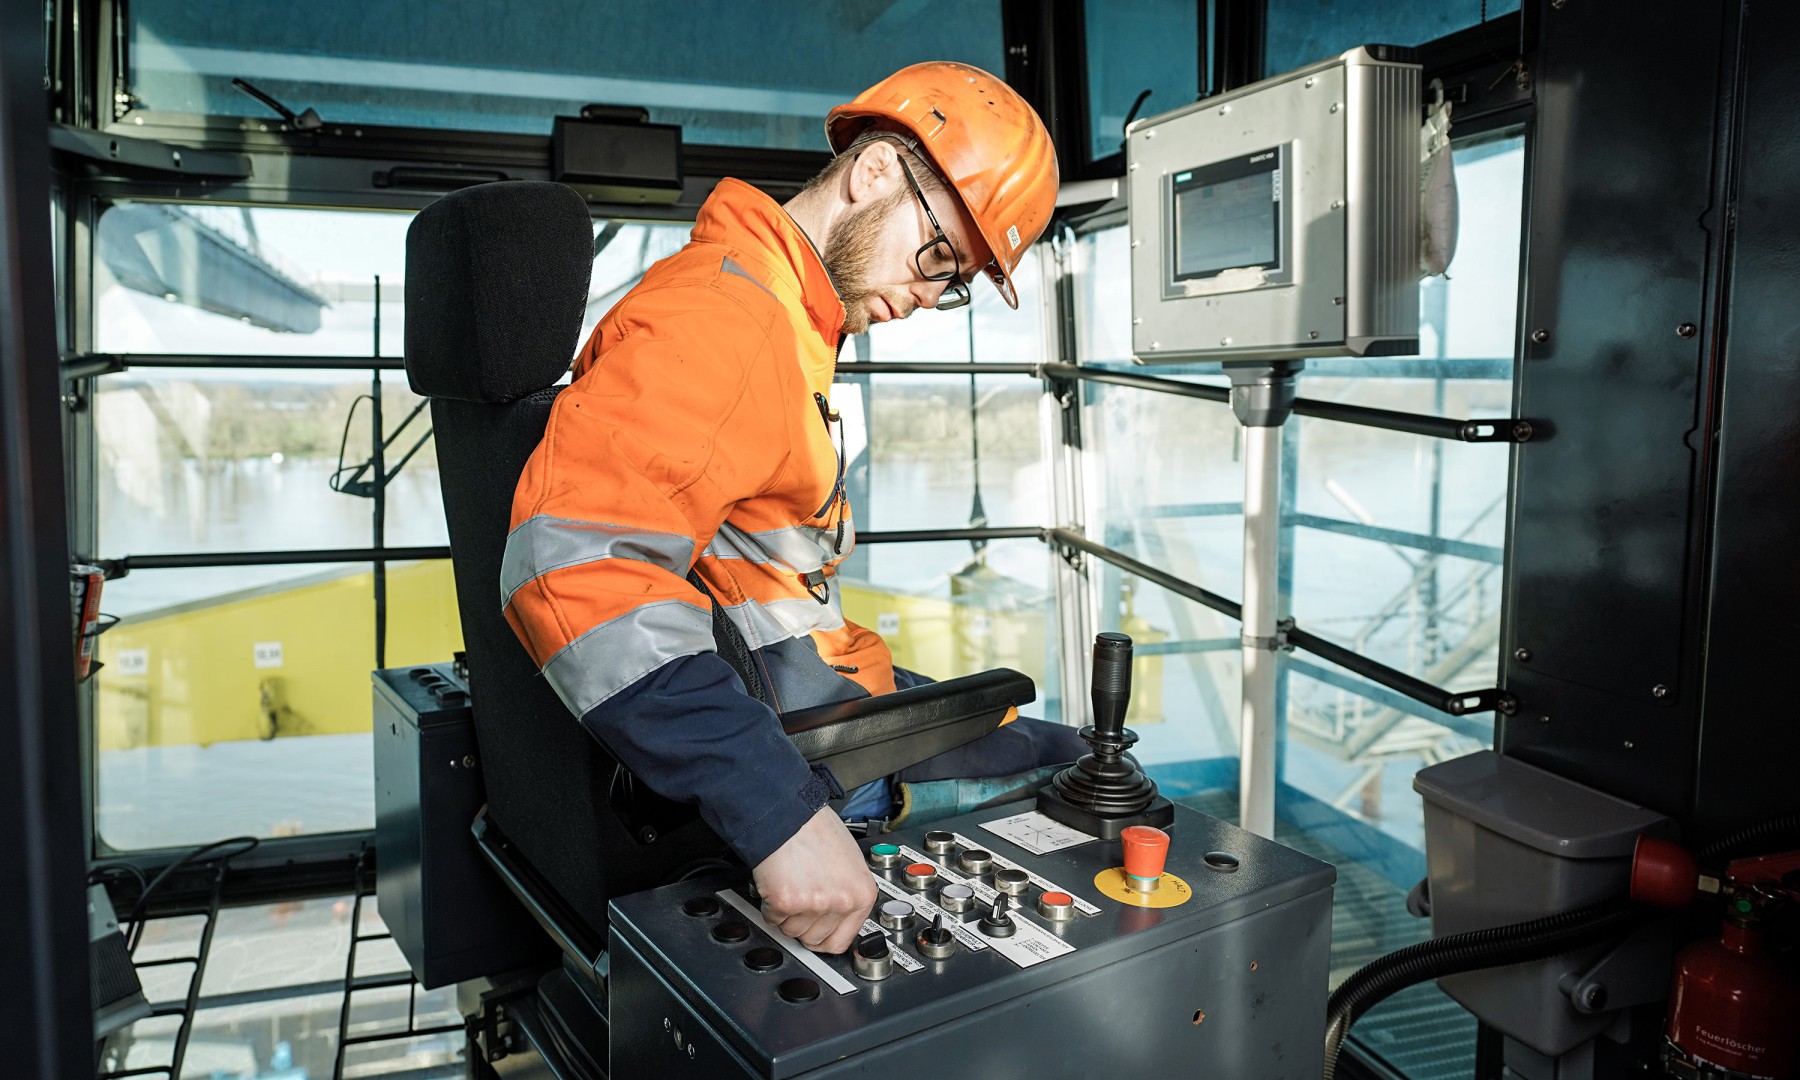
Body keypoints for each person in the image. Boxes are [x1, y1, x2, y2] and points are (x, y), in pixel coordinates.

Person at [502, 62, 1076, 957]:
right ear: (877, 172)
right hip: (804, 760)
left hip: (810, 707)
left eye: (951, 282)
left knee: (1023, 727)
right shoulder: (730, 324)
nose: (928, 298)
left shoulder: (779, 315)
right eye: (937, 258)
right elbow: (575, 563)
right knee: (1089, 776)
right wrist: (778, 816)